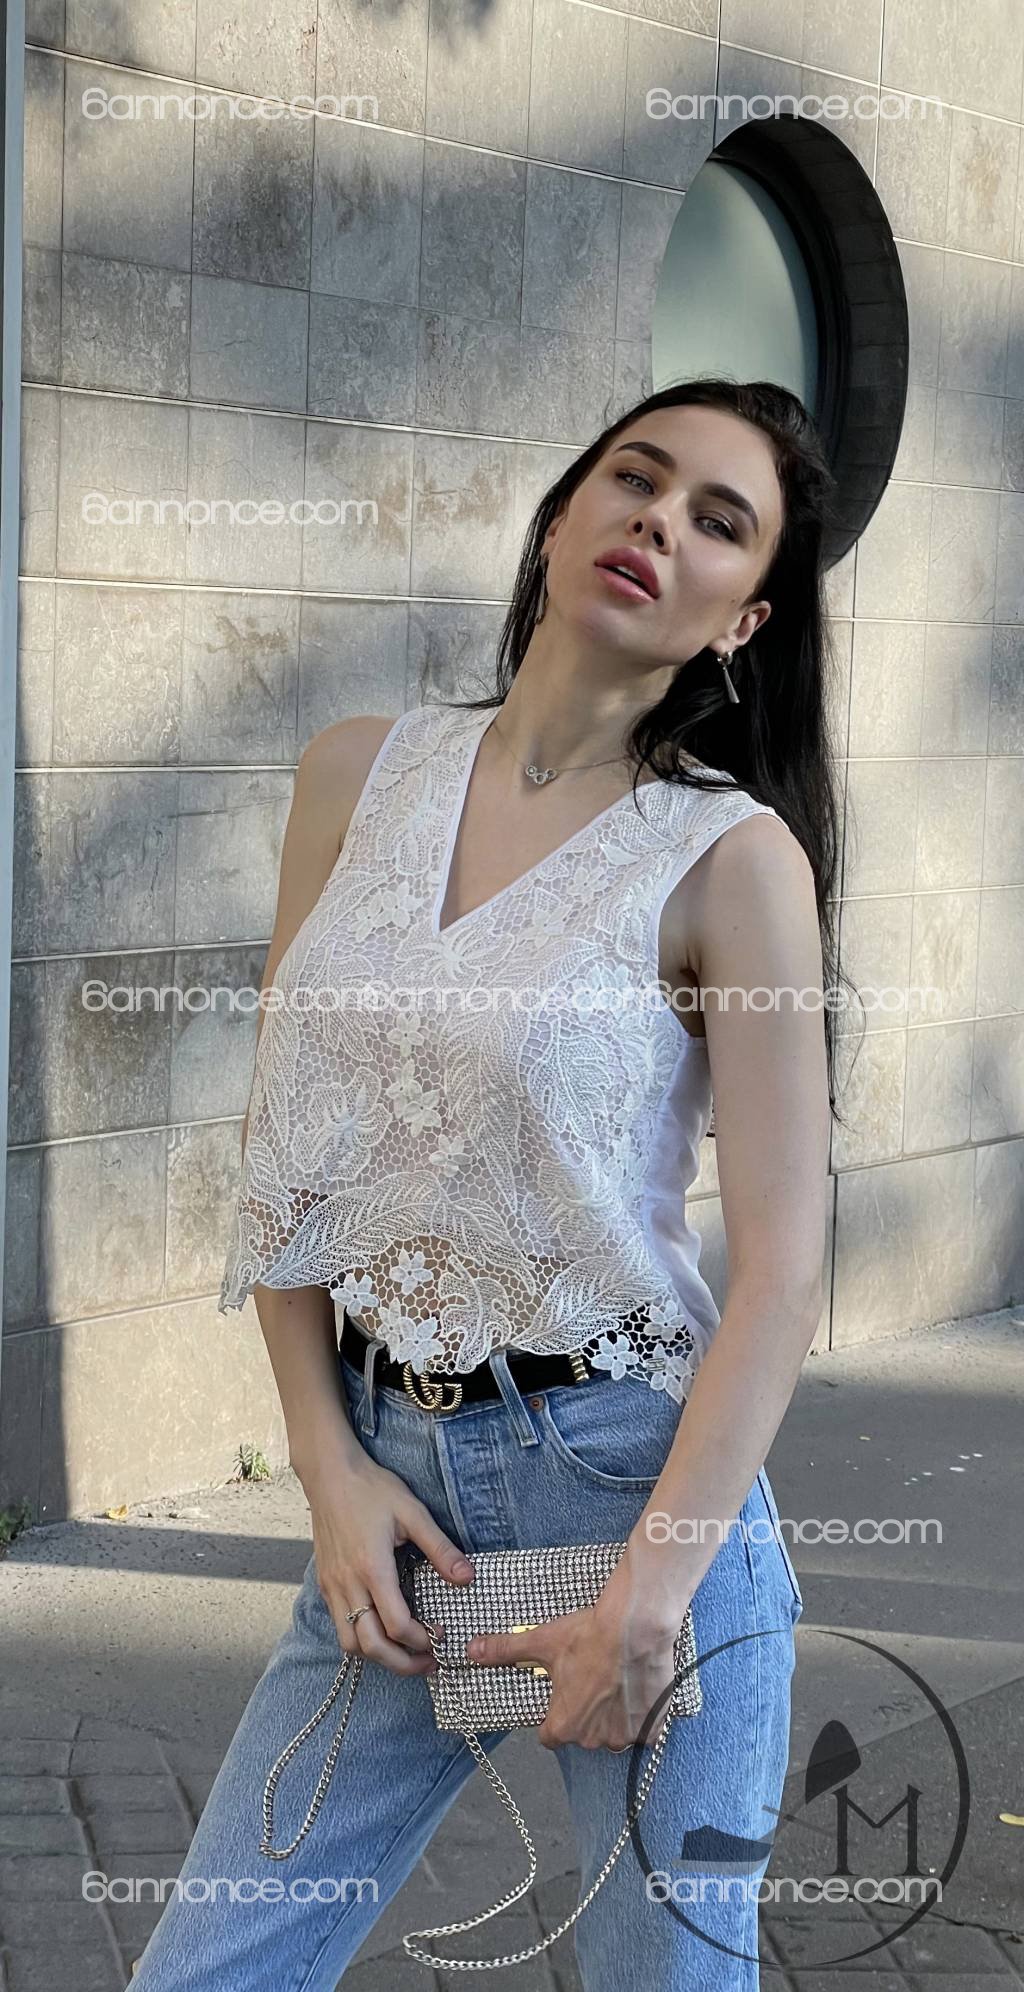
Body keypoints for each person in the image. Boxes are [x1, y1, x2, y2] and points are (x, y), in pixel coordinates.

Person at [129, 377, 844, 1990]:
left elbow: (785, 1268)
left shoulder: (731, 861)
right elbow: (289, 1153)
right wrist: (324, 1464)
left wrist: (653, 1593)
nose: (659, 524)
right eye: (636, 479)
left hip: (632, 1495)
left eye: (718, 522)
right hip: (394, 1505)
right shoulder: (354, 774)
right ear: (566, 510)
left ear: (744, 618)